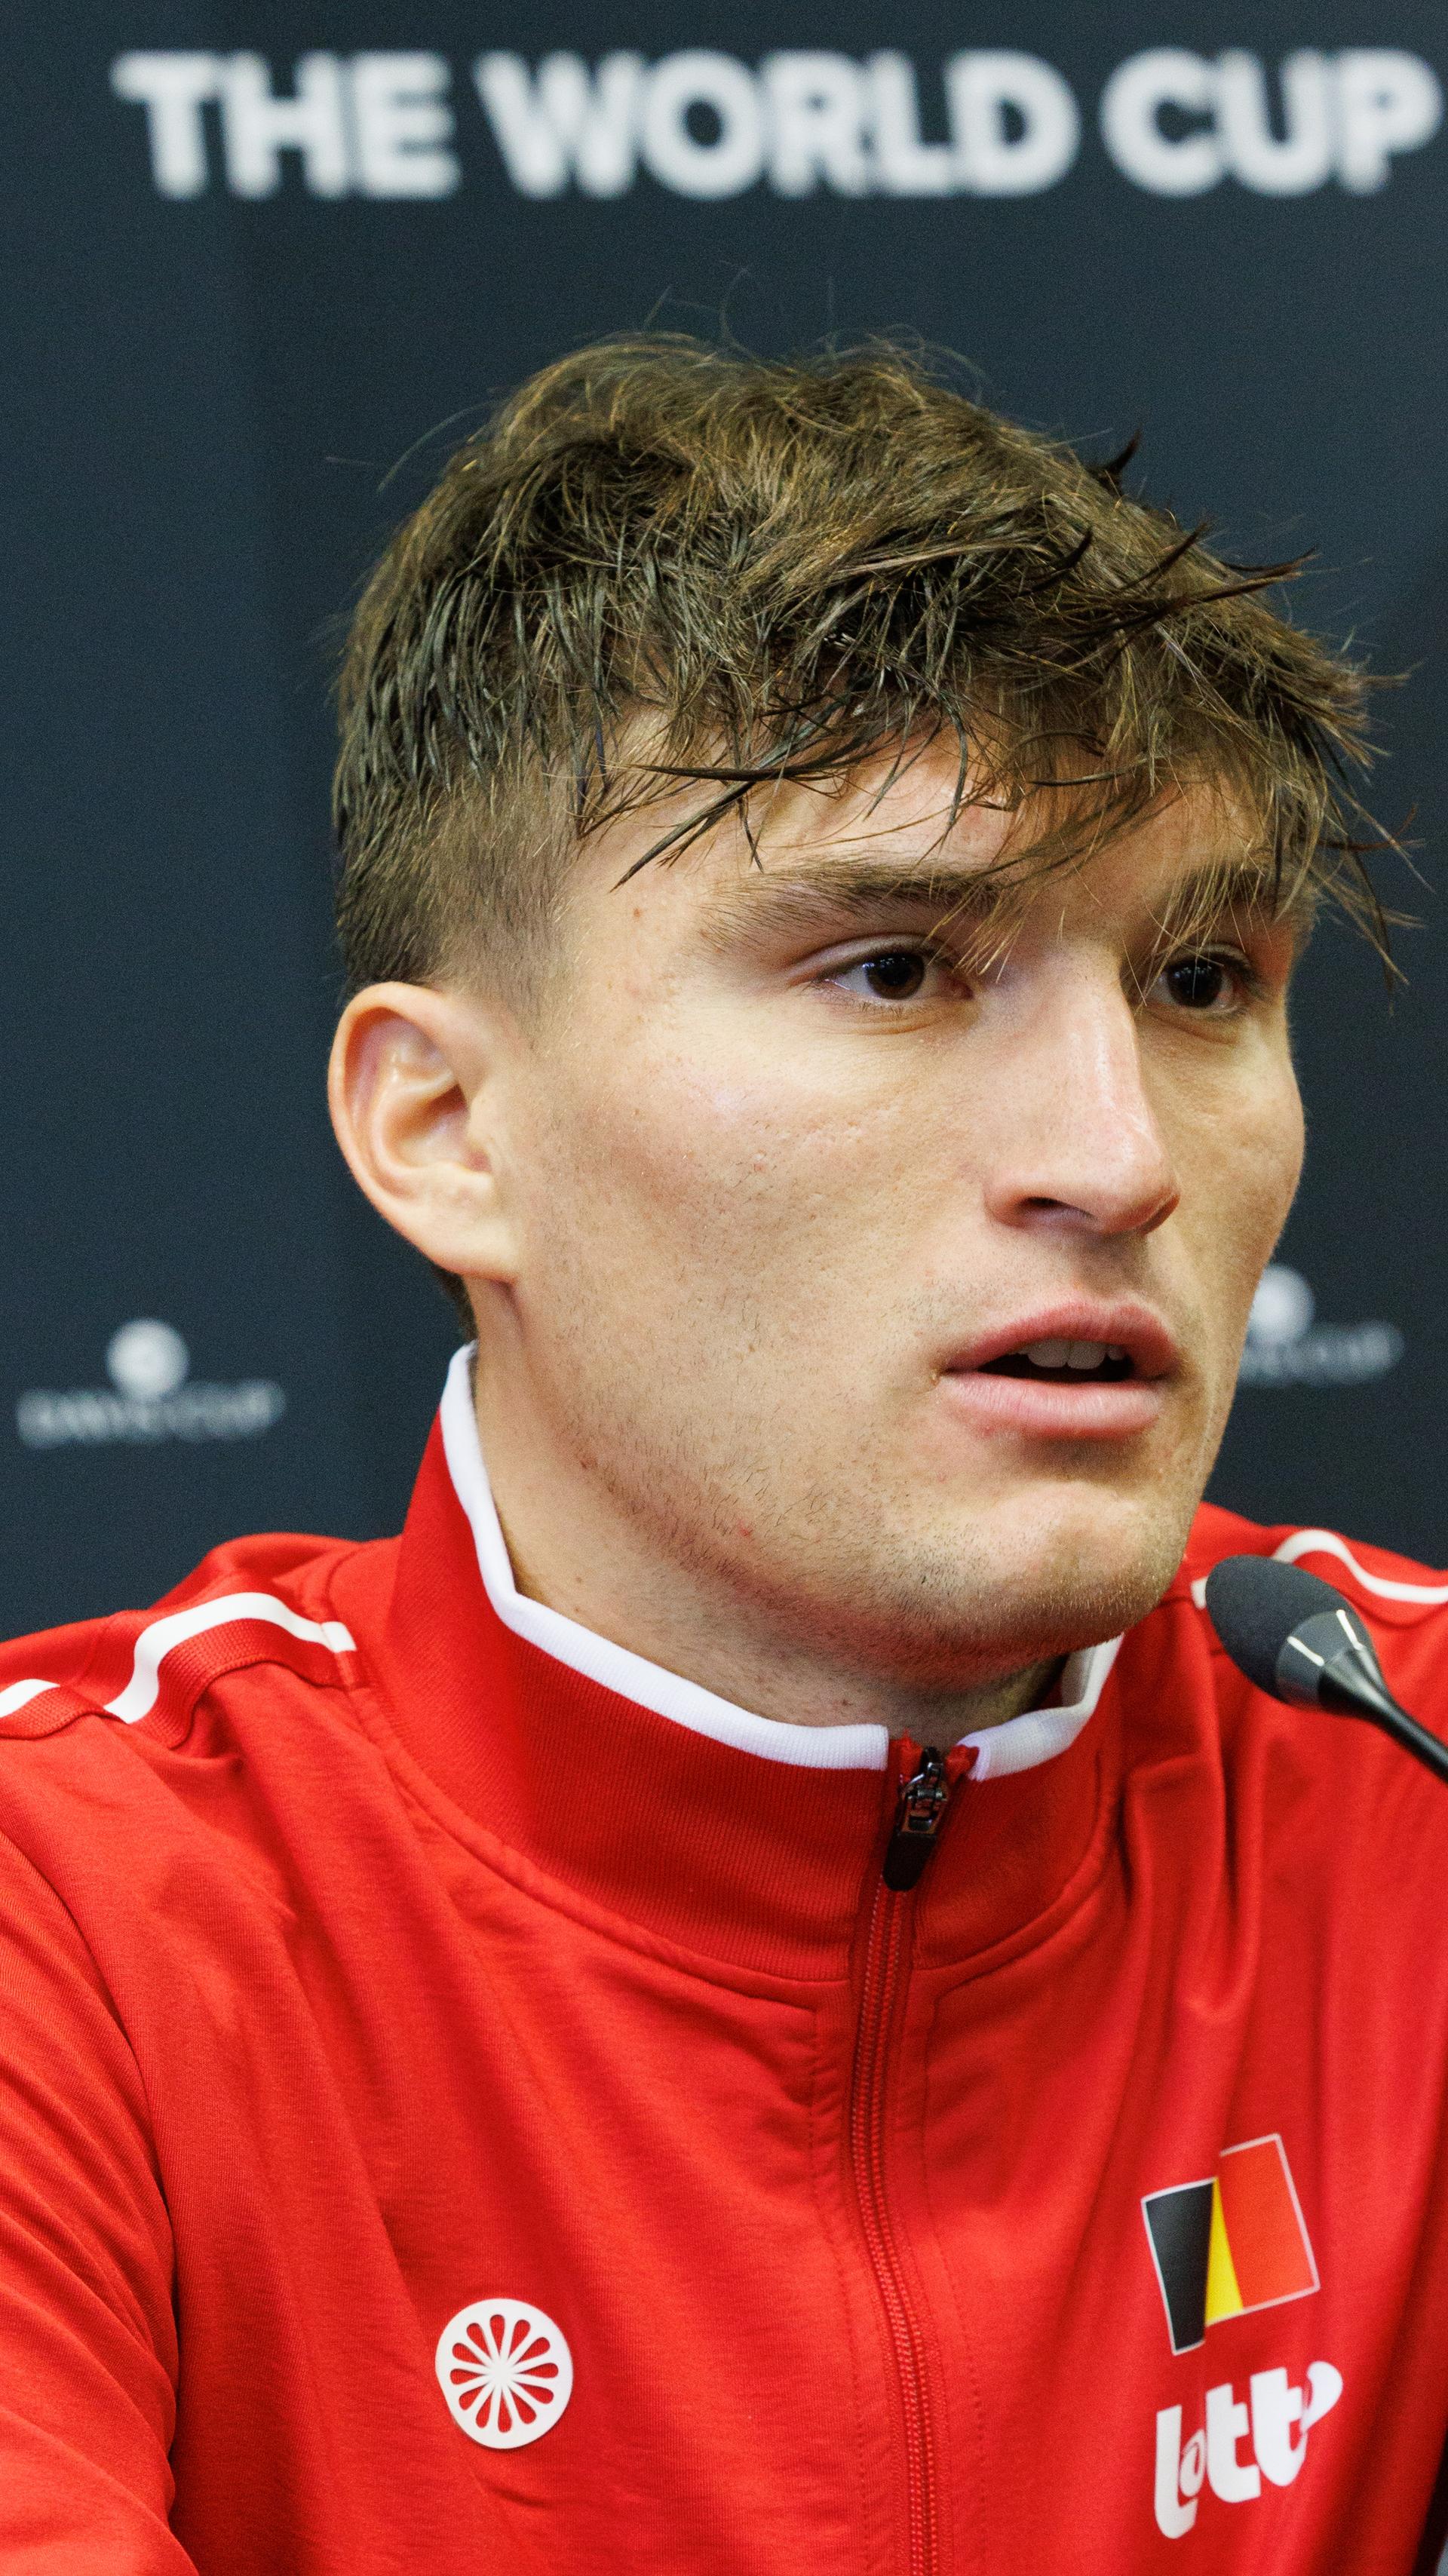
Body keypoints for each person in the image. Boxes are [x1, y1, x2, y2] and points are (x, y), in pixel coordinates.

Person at [1, 337, 1444, 2576]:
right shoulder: (68, 1915)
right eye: (893, 968)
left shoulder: (1415, 1782)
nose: (1120, 1158)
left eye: (1198, 980)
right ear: (449, 1131)